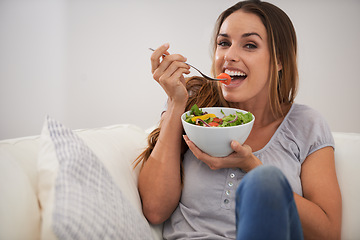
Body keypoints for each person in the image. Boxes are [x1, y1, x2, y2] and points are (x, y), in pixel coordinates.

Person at [136, 1, 342, 239]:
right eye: (223, 43)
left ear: (279, 60)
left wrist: (251, 166)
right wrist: (175, 104)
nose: (229, 56)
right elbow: (154, 209)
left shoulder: (307, 124)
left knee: (266, 180)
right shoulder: (192, 104)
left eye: (250, 45)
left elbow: (329, 233)